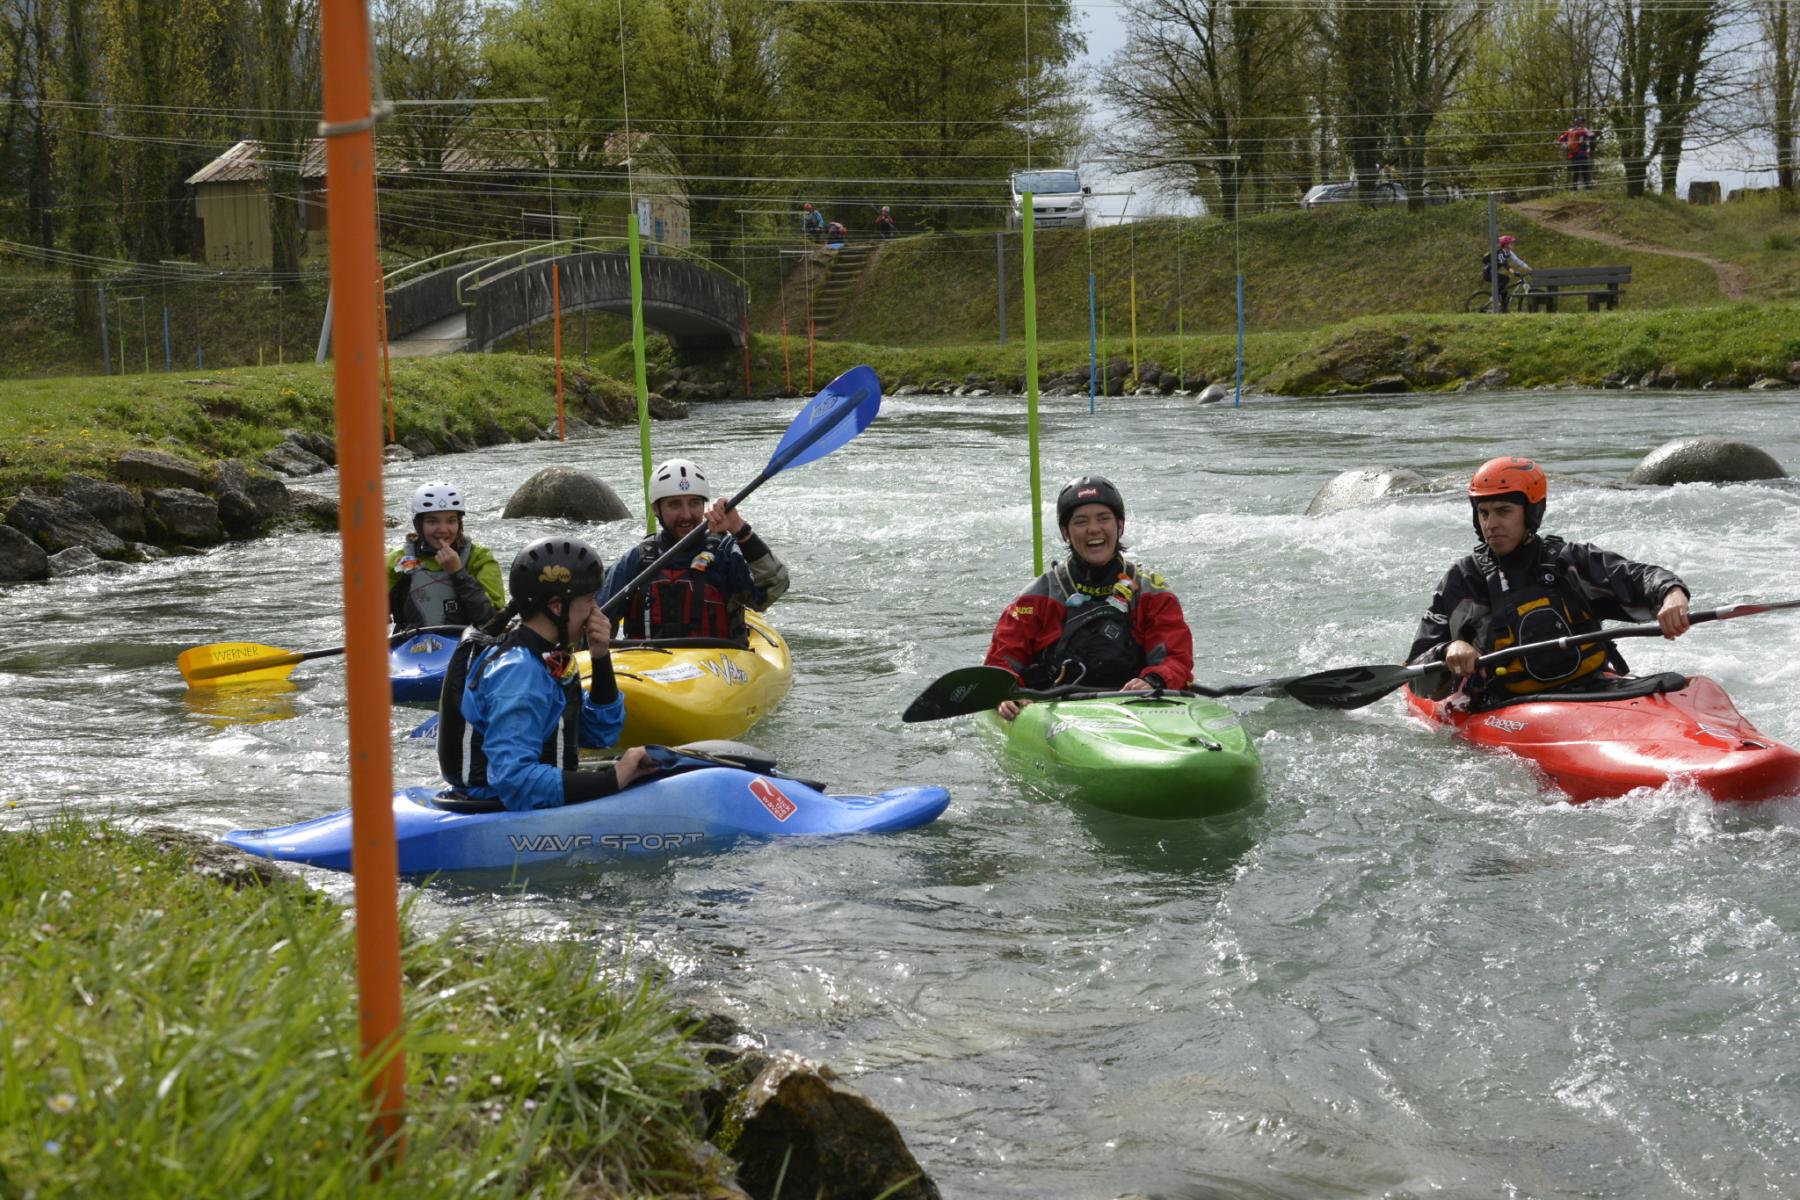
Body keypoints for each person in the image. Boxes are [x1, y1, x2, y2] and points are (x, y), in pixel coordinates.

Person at [1405, 456, 1692, 711]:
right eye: (1484, 512)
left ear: (1531, 513)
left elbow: (1638, 576)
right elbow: (1417, 669)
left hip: (1592, 691)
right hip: (1504, 705)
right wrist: (1448, 649)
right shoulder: (1464, 578)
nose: (1490, 524)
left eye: (1503, 511)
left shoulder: (1569, 561)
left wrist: (1672, 593)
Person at [437, 537, 658, 811]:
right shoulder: (519, 671)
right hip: (498, 809)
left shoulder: (552, 656)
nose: (595, 611)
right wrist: (612, 779)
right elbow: (515, 780)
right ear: (556, 606)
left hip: (531, 802)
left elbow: (600, 735)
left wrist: (600, 657)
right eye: (589, 601)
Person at [983, 475, 1194, 721]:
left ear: (1120, 526)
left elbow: (1176, 660)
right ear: (1065, 532)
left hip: (1135, 708)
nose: (1093, 529)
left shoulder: (1152, 593)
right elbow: (1001, 663)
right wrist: (1007, 694)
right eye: (1081, 521)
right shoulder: (1036, 598)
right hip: (1056, 709)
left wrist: (1153, 680)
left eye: (1104, 518)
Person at [600, 458, 790, 643]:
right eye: (674, 504)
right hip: (648, 666)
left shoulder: (723, 553)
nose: (686, 515)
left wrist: (739, 529)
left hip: (718, 666)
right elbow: (599, 618)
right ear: (656, 509)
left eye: (694, 503)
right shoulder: (638, 559)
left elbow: (770, 592)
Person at [387, 480, 504, 629]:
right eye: (432, 521)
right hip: (411, 646)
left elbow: (492, 622)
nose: (443, 529)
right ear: (419, 525)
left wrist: (458, 573)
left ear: (459, 523)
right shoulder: (403, 560)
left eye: (451, 521)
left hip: (468, 647)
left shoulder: (479, 559)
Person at [1481, 235, 1531, 312]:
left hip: (1493, 273)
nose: (1513, 245)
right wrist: (1513, 272)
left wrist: (1528, 268)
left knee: (1504, 290)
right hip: (1488, 273)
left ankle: (1503, 308)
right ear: (1506, 245)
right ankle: (1495, 297)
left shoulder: (1509, 253)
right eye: (1511, 243)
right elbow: (1505, 264)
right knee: (1506, 279)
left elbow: (1518, 261)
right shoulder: (1500, 253)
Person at [1556, 117, 1596, 191]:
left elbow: (1560, 139)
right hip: (1582, 154)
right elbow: (1592, 135)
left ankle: (1574, 190)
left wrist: (1566, 147)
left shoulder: (1569, 131)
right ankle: (1588, 189)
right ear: (1581, 122)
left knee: (1575, 172)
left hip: (1573, 154)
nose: (1583, 123)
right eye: (1583, 122)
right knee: (1585, 171)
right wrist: (1590, 147)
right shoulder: (1583, 130)